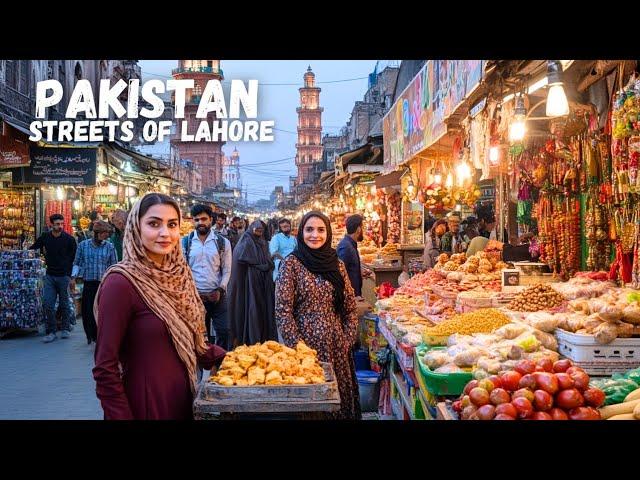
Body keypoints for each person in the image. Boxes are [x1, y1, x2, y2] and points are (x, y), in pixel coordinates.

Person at [92, 193, 226, 420]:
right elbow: (105, 367)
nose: (165, 233)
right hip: (144, 405)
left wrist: (236, 358)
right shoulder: (121, 283)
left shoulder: (179, 277)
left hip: (183, 400)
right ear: (136, 227)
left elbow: (193, 343)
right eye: (154, 224)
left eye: (172, 224)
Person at [275, 211, 361, 420]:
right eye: (309, 229)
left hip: (336, 347)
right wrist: (299, 348)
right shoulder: (291, 264)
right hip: (305, 351)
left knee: (337, 404)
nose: (315, 235)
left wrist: (346, 339)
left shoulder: (337, 263)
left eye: (321, 230)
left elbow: (350, 307)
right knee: (311, 407)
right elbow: (283, 311)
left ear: (328, 233)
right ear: (301, 233)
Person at [182, 204, 232, 349]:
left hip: (217, 296)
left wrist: (220, 290)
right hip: (194, 297)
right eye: (196, 220)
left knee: (224, 332)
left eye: (204, 219)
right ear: (193, 222)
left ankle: (217, 368)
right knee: (196, 336)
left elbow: (227, 270)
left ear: (211, 220)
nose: (200, 223)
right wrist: (191, 292)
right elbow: (183, 270)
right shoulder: (185, 242)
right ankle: (197, 368)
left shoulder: (222, 242)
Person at [29, 214, 77, 343]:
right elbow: (33, 248)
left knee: (64, 303)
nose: (60, 226)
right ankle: (51, 331)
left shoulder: (69, 239)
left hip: (63, 276)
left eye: (61, 224)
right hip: (50, 275)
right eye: (57, 224)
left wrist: (70, 275)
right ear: (51, 225)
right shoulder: (46, 237)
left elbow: (75, 258)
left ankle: (65, 328)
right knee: (48, 304)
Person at [227, 220, 276, 346]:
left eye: (261, 231)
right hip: (248, 286)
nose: (259, 233)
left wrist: (266, 265)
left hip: (261, 285)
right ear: (251, 229)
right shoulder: (246, 241)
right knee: (251, 312)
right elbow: (246, 262)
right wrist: (263, 266)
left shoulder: (262, 242)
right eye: (257, 230)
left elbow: (264, 259)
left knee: (261, 313)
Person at [71, 220, 117, 345]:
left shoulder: (109, 247)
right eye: (104, 233)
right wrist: (73, 277)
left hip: (103, 284)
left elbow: (113, 265)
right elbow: (77, 262)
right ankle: (90, 334)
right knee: (87, 311)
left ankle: (99, 335)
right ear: (97, 233)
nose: (107, 236)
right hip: (89, 283)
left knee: (101, 310)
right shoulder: (83, 246)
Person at [336, 214, 372, 298]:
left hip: (353, 295)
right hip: (349, 296)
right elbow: (340, 274)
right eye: (362, 227)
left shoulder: (350, 245)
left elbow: (347, 269)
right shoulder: (346, 247)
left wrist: (359, 272)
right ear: (358, 229)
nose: (363, 230)